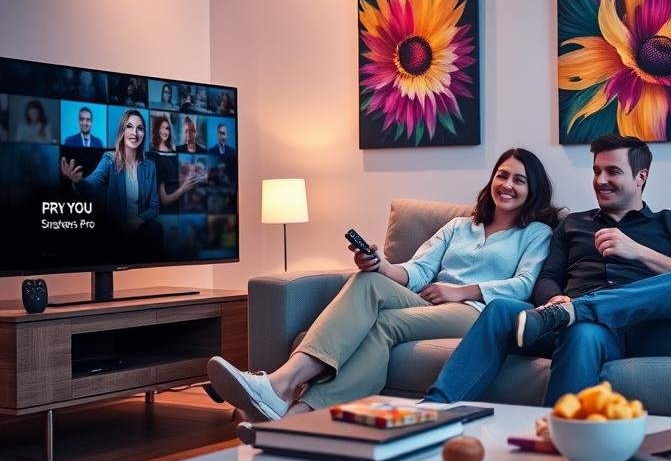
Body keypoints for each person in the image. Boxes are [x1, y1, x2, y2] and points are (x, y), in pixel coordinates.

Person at [207, 147, 560, 421]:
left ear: (532, 190)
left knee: (384, 324)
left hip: (478, 313)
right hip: (429, 303)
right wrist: (381, 264)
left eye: (519, 180)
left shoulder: (536, 233)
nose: (507, 185)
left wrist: (461, 291)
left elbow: (524, 285)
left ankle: (288, 403)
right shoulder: (459, 227)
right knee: (367, 280)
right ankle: (285, 392)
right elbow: (418, 270)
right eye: (502, 175)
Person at [425, 134, 671, 407]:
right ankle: (434, 410)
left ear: (640, 177)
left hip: (651, 328)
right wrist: (554, 299)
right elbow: (548, 278)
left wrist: (639, 252)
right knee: (503, 311)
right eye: (596, 171)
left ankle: (577, 312)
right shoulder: (573, 224)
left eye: (613, 171)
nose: (601, 180)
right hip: (579, 325)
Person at [60, 109, 162, 242]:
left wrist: (138, 220)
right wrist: (78, 181)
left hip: (140, 228)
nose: (135, 132)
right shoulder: (109, 159)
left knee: (156, 229)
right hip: (117, 231)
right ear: (122, 131)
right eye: (129, 126)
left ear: (144, 133)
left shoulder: (150, 166)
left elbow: (154, 207)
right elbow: (90, 185)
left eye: (140, 128)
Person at [147, 113, 200, 210]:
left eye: (167, 128)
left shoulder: (175, 152)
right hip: (168, 211)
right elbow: (163, 200)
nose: (165, 131)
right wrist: (183, 189)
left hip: (182, 207)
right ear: (157, 130)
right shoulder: (152, 156)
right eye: (162, 128)